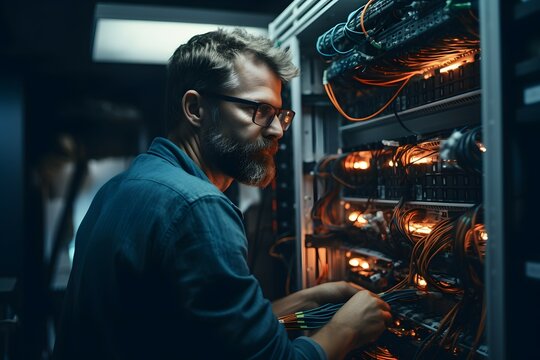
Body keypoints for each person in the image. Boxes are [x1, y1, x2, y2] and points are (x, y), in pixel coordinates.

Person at [53, 28, 391, 360]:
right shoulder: (196, 205)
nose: (276, 130)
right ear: (196, 109)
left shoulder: (121, 188)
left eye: (279, 115)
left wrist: (307, 301)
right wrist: (347, 328)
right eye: (259, 110)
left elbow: (190, 330)